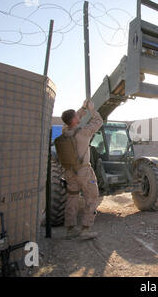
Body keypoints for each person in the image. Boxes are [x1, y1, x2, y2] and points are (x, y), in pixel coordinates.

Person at [60, 99, 103, 240]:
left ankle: (70, 229)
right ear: (74, 120)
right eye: (77, 116)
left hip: (69, 172)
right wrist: (91, 109)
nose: (79, 117)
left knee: (72, 198)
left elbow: (72, 118)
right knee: (92, 197)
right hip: (84, 172)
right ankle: (85, 229)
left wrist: (82, 108)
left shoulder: (65, 131)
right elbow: (98, 121)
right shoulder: (84, 133)